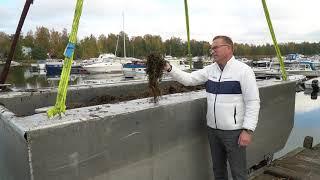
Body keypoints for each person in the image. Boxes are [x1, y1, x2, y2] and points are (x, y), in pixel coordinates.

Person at [164, 35, 260, 180]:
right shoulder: (210, 70)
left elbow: (253, 101)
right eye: (211, 48)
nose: (212, 51)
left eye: (215, 47)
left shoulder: (244, 71)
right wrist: (169, 68)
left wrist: (248, 130)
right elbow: (189, 80)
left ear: (228, 48)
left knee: (238, 171)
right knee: (218, 169)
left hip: (234, 133)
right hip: (213, 130)